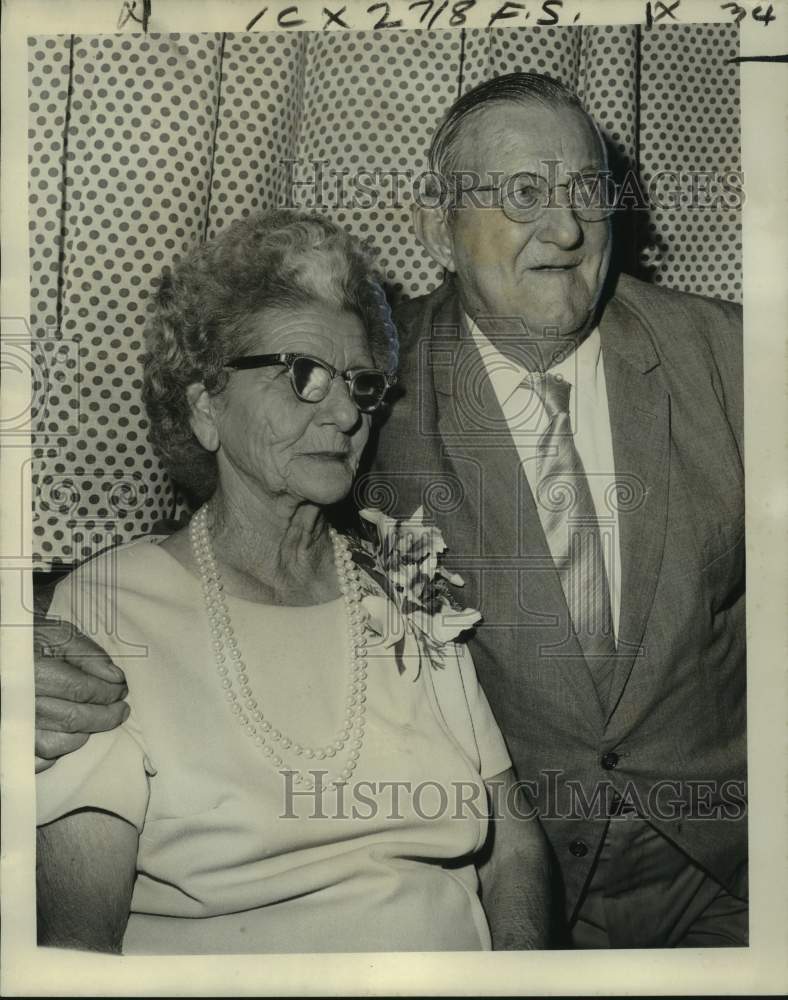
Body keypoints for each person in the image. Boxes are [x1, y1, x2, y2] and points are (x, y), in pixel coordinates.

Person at [34, 72, 746, 949]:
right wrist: (30, 639)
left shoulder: (730, 358)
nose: (565, 230)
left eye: (589, 192)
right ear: (435, 226)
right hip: (540, 901)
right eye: (524, 193)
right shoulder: (366, 376)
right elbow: (203, 545)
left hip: (731, 869)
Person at [33, 209, 550, 954]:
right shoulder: (111, 606)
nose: (346, 413)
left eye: (361, 383)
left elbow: (516, 847)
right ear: (206, 406)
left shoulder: (406, 584)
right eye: (302, 375)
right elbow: (80, 936)